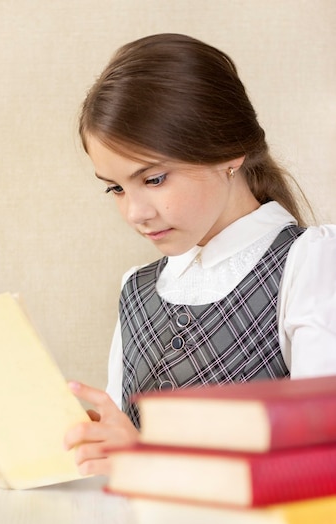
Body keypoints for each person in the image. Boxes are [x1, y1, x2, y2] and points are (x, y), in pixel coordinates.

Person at [63, 33, 336, 476]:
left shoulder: (310, 264)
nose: (135, 213)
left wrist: (147, 460)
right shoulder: (137, 288)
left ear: (228, 152)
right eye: (115, 188)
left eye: (153, 180)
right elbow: (119, 461)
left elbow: (322, 460)